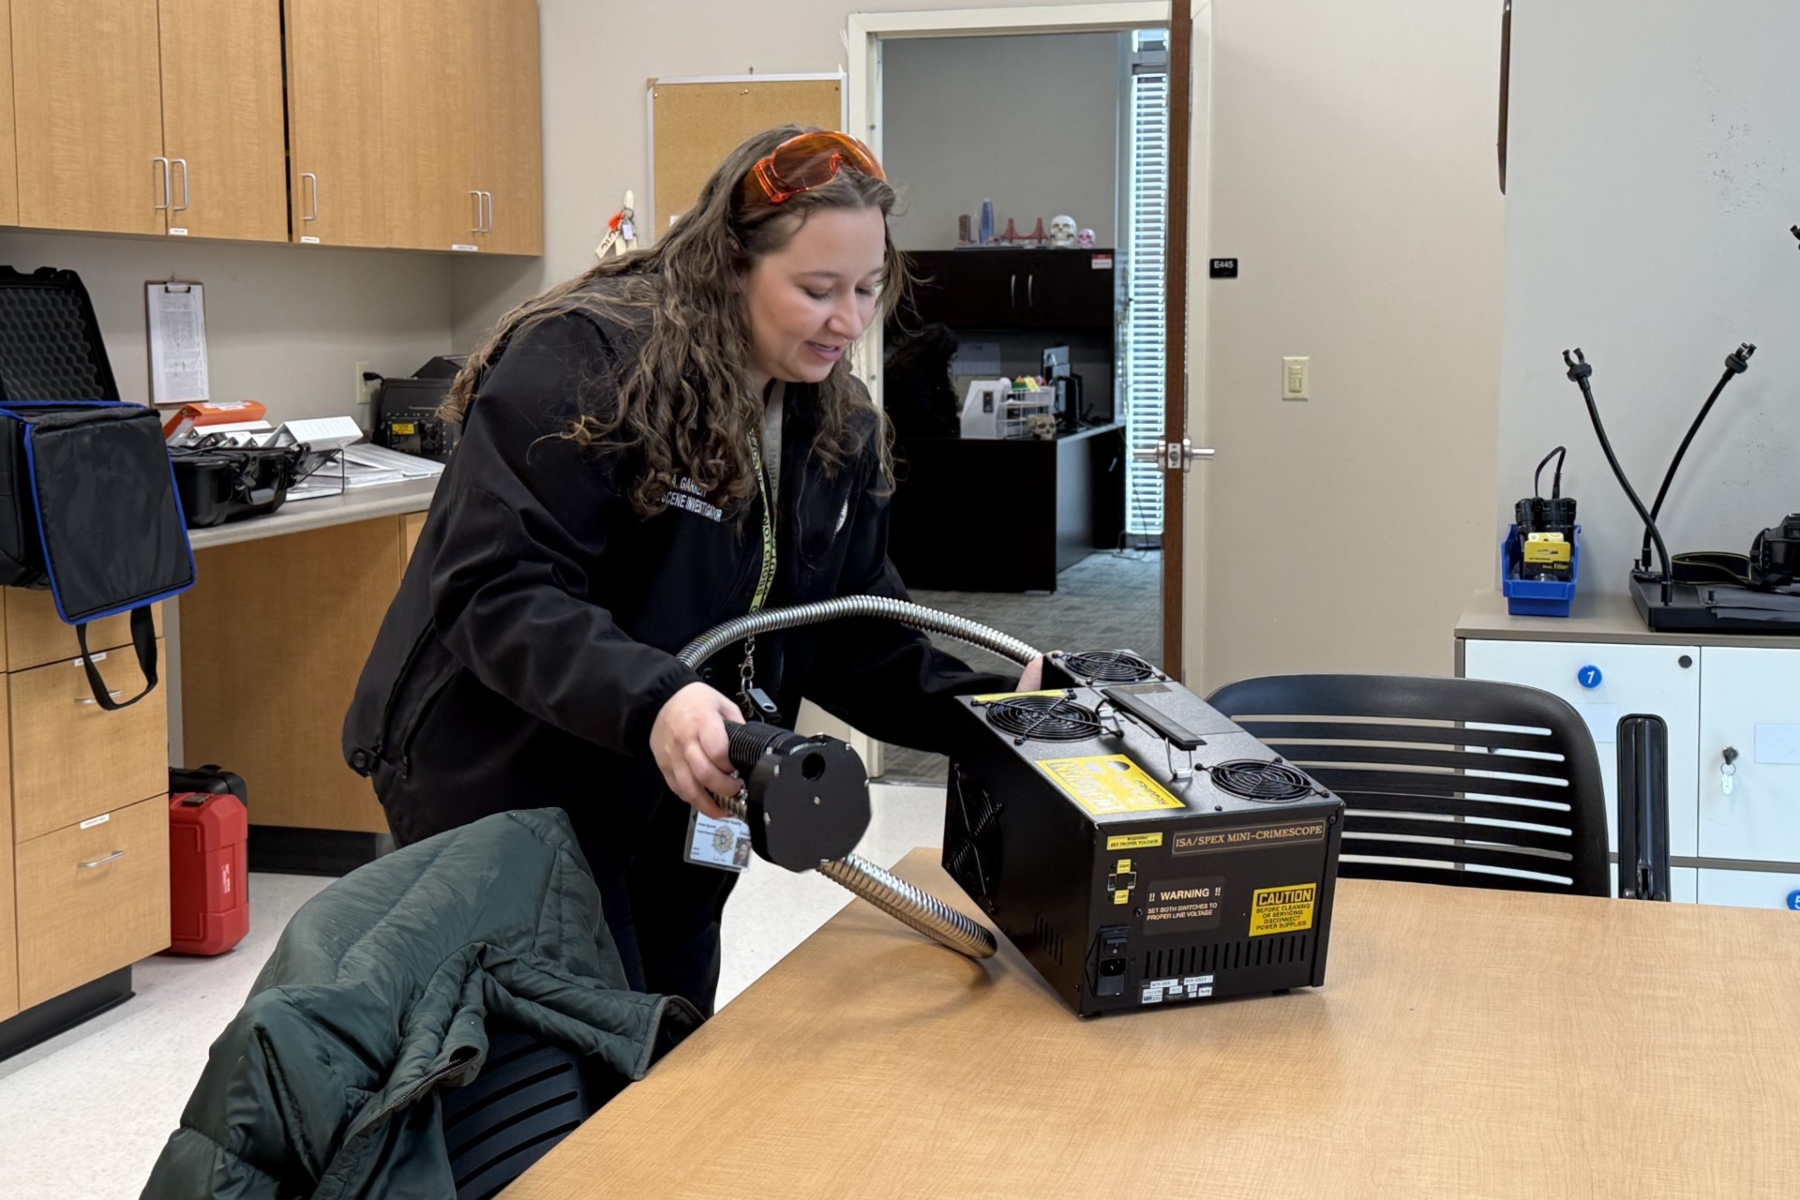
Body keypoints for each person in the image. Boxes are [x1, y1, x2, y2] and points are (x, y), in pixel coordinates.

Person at [343, 126, 1038, 1017]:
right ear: (732, 264)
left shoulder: (833, 425)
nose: (850, 321)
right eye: (817, 290)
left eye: (869, 288)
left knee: (671, 1028)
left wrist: (1002, 712)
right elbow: (497, 590)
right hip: (513, 770)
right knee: (560, 1048)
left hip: (689, 779)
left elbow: (854, 641)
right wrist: (657, 699)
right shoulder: (585, 360)